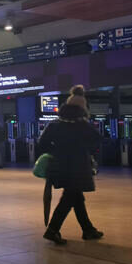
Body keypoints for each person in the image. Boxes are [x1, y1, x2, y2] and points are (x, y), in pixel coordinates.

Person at [38, 86, 103, 245]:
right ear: (82, 107)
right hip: (78, 167)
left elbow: (42, 143)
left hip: (59, 166)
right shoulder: (83, 125)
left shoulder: (55, 124)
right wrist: (85, 149)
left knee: (76, 197)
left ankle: (88, 230)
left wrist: (57, 151)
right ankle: (52, 230)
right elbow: (98, 140)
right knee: (69, 198)